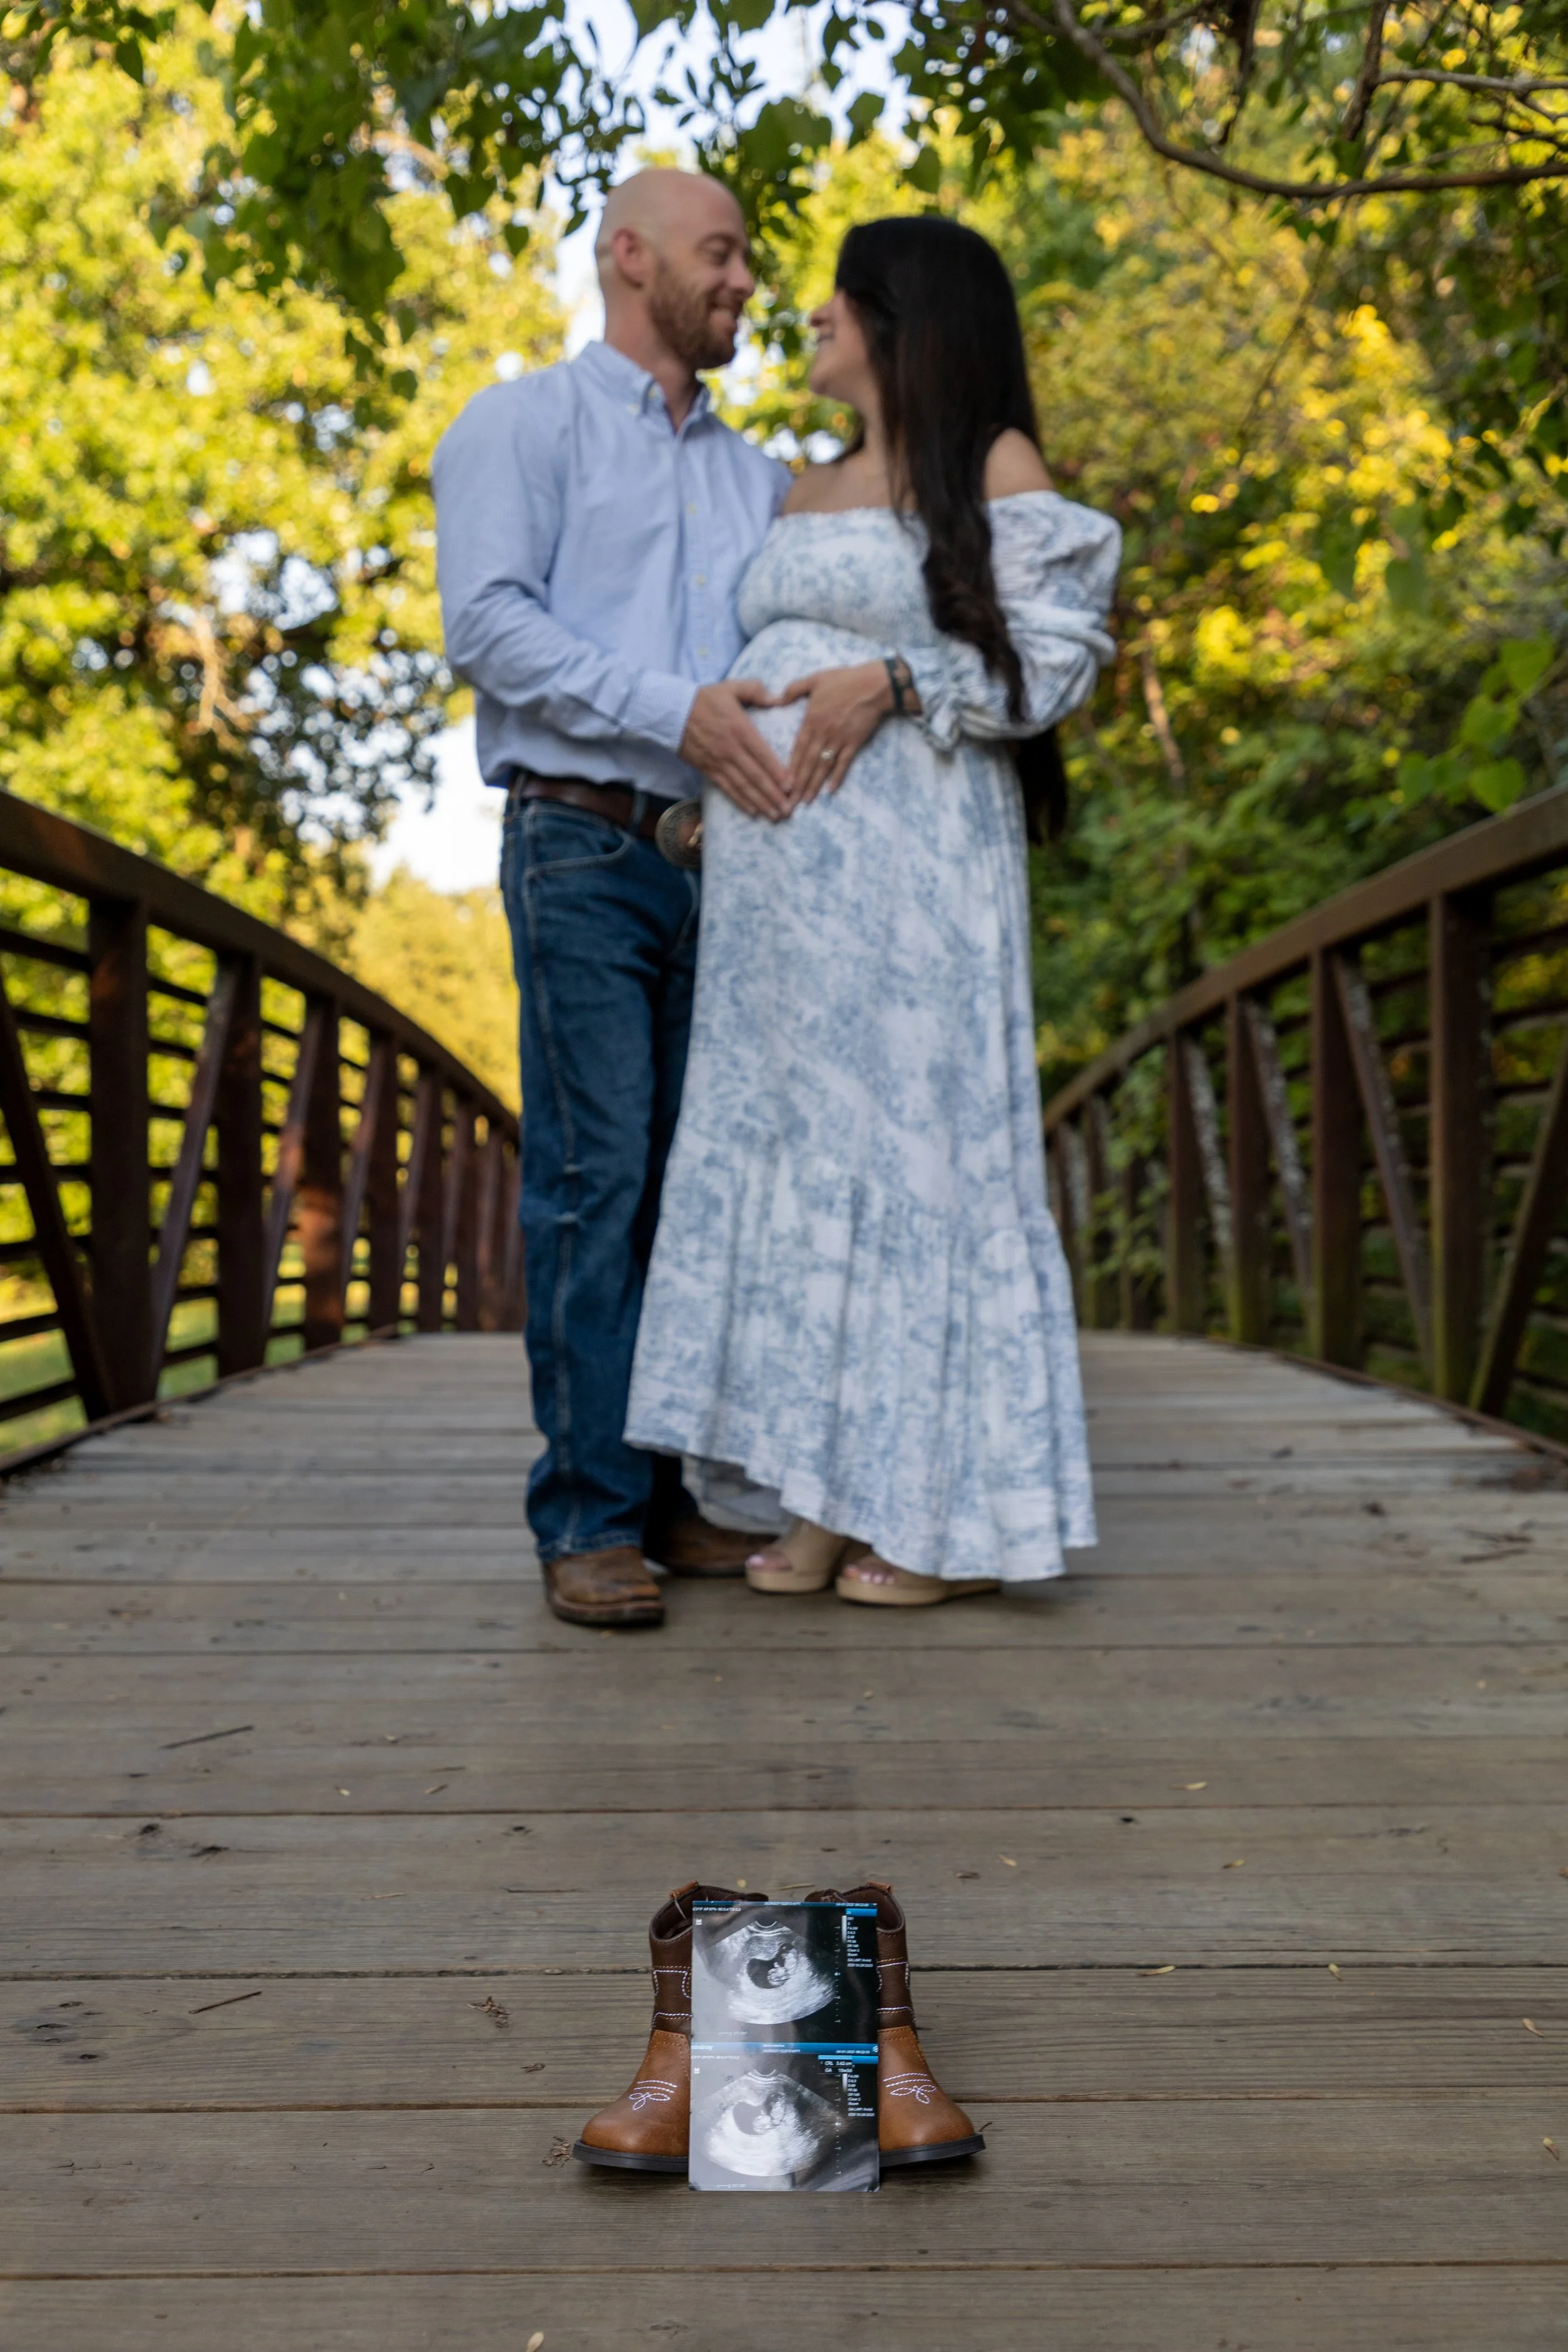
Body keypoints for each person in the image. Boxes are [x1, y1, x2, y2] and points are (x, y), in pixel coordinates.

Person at [625, 215, 1120, 1603]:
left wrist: (894, 685)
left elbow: (1053, 664)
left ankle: (939, 1522)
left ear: (908, 319)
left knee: (910, 1157)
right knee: (805, 1161)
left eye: (843, 295)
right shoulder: (799, 489)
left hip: (915, 893)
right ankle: (833, 1500)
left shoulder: (990, 470)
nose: (813, 313)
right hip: (776, 920)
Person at [432, 169, 795, 1631]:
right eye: (720, 254)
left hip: (729, 866)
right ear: (627, 257)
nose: (743, 284)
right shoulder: (520, 423)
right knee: (595, 1182)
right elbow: (485, 624)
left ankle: (663, 1497)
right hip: (580, 850)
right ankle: (584, 1516)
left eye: (751, 263)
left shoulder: (757, 475)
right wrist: (672, 712)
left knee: (695, 1194)